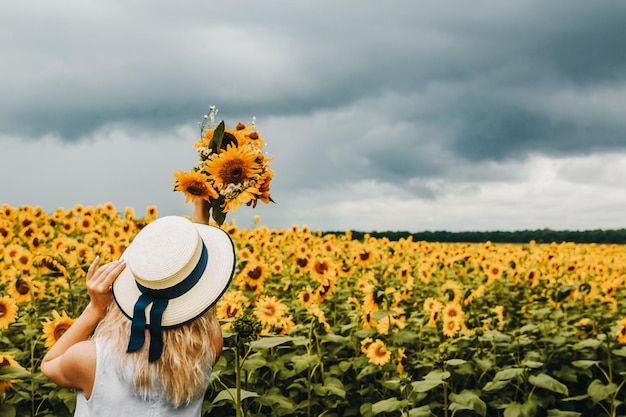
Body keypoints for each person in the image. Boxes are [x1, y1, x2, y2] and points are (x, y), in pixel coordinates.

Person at [41, 199, 235, 416]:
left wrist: (95, 309)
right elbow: (204, 301)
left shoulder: (92, 360)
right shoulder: (206, 348)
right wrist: (202, 219)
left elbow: (48, 365)